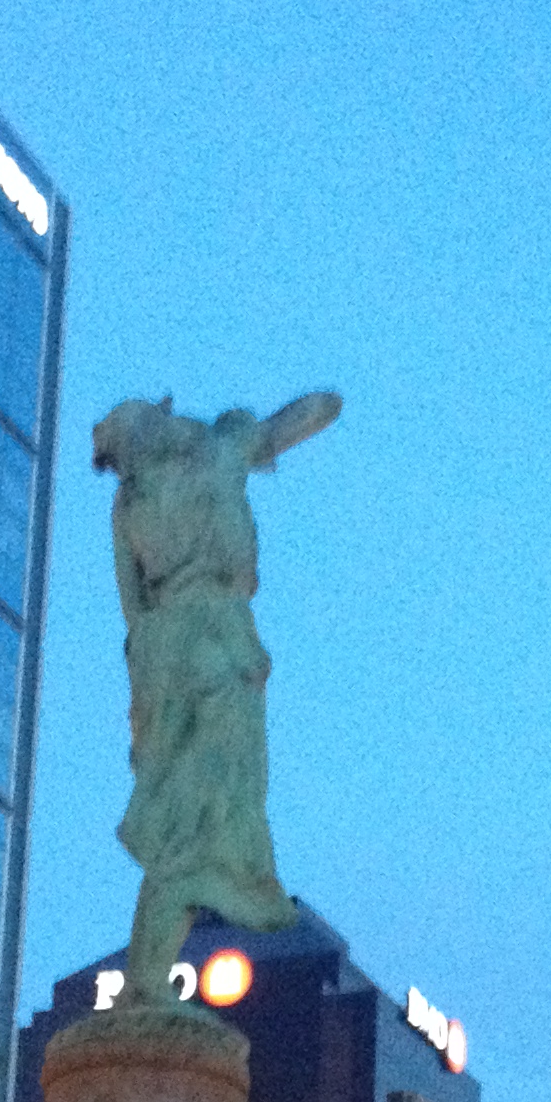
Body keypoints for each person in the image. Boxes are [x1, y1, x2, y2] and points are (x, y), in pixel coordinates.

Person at [90, 391, 340, 1006]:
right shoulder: (217, 451)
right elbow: (312, 413)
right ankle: (147, 982)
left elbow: (132, 604)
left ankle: (148, 981)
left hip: (162, 654)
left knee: (182, 821)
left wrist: (148, 682)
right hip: (217, 644)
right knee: (207, 815)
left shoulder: (131, 502)